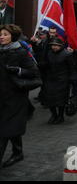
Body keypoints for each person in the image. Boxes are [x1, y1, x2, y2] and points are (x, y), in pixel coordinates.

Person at [0, 24, 40, 168]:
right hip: (2, 97)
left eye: (5, 34)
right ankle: (18, 153)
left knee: (3, 131)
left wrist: (18, 70)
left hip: (15, 97)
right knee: (11, 127)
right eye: (0, 34)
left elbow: (34, 73)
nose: (1, 37)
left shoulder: (21, 52)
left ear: (13, 36)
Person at [41, 37, 75, 124]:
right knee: (50, 98)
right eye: (53, 45)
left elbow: (71, 68)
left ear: (61, 46)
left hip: (62, 80)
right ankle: (54, 115)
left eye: (56, 45)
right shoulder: (49, 53)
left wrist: (71, 79)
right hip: (50, 79)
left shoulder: (67, 54)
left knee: (61, 100)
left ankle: (60, 116)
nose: (54, 47)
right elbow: (47, 65)